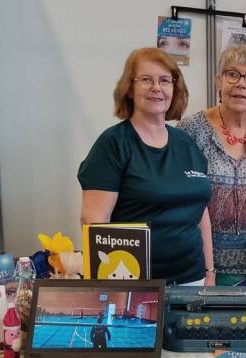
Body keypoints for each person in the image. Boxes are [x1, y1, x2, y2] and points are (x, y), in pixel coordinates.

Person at [78, 48, 214, 286]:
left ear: (174, 88)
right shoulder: (113, 144)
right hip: (136, 282)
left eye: (165, 80)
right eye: (146, 80)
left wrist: (210, 271)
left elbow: (200, 210)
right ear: (129, 89)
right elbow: (94, 220)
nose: (157, 88)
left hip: (192, 279)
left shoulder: (186, 143)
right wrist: (116, 287)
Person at [177, 46, 246, 286]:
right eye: (232, 74)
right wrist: (206, 268)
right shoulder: (190, 130)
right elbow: (178, 200)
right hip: (196, 267)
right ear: (219, 81)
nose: (241, 84)